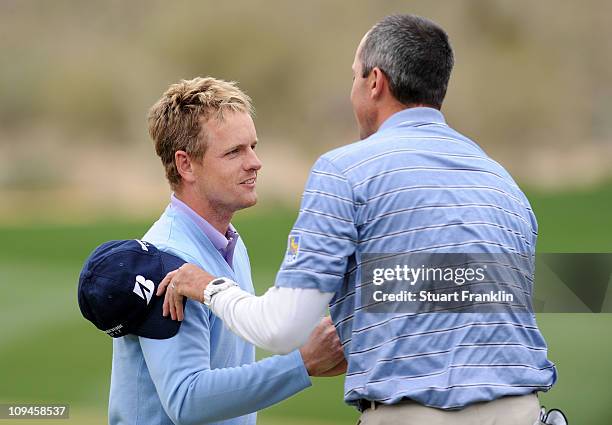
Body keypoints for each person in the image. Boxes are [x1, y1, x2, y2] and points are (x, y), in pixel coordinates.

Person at [160, 15, 560, 425]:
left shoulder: (344, 171)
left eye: (354, 76)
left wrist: (210, 287)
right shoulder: (503, 183)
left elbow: (281, 328)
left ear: (375, 83)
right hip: (525, 411)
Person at [108, 76, 346, 425]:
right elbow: (186, 398)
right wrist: (303, 363)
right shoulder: (167, 258)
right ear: (186, 164)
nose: (255, 162)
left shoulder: (230, 241)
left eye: (253, 146)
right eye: (235, 151)